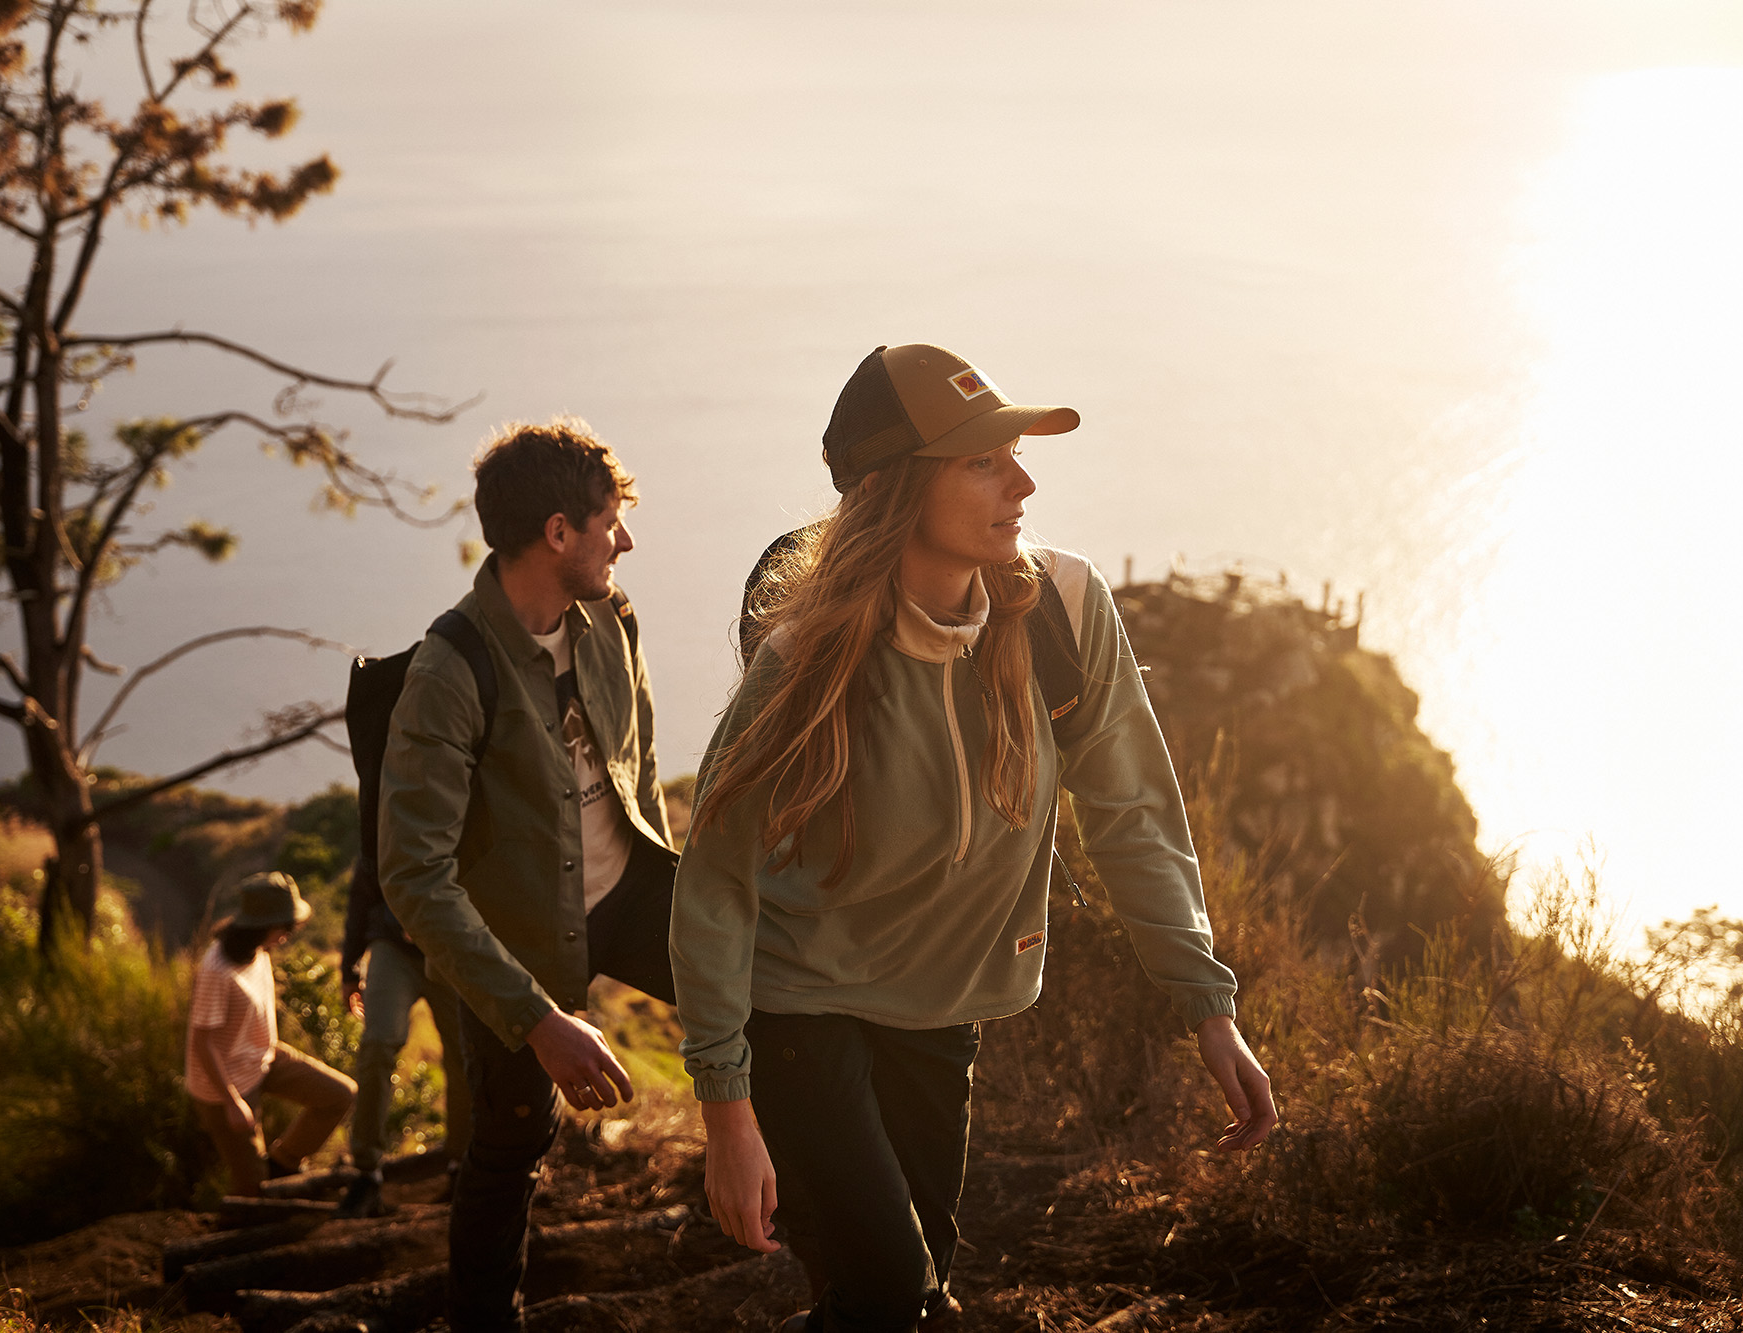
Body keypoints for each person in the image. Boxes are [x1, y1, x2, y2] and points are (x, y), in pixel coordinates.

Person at [670, 344, 1280, 1333]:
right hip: (799, 1003)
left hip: (943, 1007)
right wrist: (725, 1107)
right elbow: (713, 883)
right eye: (982, 462)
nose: (1022, 485)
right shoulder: (804, 657)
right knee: (892, 1290)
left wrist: (1206, 1004)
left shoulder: (1061, 610)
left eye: (1014, 455)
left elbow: (1132, 812)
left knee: (900, 1296)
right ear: (895, 488)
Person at [378, 417, 679, 1333]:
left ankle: (830, 1248)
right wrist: (539, 1018)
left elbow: (641, 770)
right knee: (511, 1147)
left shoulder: (612, 619)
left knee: (778, 1001)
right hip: (515, 938)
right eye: (609, 522)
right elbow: (414, 876)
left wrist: (690, 897)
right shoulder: (450, 669)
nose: (625, 541)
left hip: (629, 892)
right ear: (557, 532)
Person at [187, 872, 358, 1198]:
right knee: (253, 1192)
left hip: (263, 1057)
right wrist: (232, 1102)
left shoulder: (259, 950)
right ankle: (254, 1200)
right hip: (224, 1083)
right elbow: (202, 1042)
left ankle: (283, 1164)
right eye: (285, 928)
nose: (287, 936)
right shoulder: (217, 969)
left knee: (339, 1095)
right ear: (260, 924)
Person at [337, 864, 471, 1217]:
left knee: (465, 1053)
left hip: (451, 944)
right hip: (393, 946)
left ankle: (462, 1163)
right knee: (378, 1044)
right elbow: (362, 892)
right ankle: (367, 1171)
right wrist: (349, 968)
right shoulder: (380, 828)